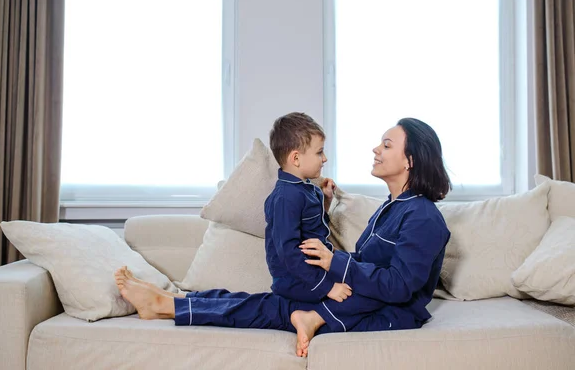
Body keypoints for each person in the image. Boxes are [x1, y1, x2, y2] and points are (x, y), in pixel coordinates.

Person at [114, 117, 452, 358]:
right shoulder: (390, 208)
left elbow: (398, 287)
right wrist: (325, 212)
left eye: (387, 144)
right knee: (262, 304)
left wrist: (336, 264)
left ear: (410, 160)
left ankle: (166, 306)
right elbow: (364, 265)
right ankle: (170, 302)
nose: (376, 148)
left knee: (270, 309)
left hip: (385, 310)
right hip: (356, 296)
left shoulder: (424, 217)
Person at [265, 112, 351, 304]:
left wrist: (326, 202)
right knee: (356, 296)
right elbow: (288, 252)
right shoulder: (286, 197)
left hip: (314, 272)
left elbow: (312, 227)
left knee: (362, 277)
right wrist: (327, 287)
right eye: (319, 152)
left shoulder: (305, 189)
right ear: (296, 158)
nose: (325, 158)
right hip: (296, 281)